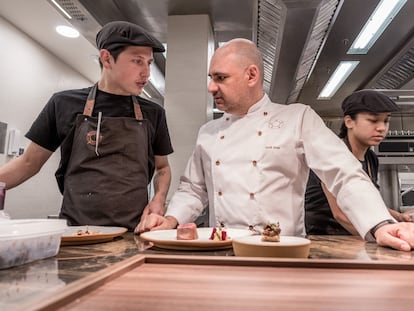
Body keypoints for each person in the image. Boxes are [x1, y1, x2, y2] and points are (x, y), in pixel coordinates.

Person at [137, 38, 414, 251]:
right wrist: (170, 219)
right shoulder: (209, 131)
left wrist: (380, 225)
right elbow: (193, 189)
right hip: (222, 251)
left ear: (251, 75)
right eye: (211, 78)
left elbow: (344, 173)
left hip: (282, 252)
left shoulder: (297, 117)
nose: (211, 87)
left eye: (220, 78)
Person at [0, 21, 173, 231]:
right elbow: (28, 163)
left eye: (148, 62)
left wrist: (158, 200)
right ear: (107, 58)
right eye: (137, 61)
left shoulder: (153, 113)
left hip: (134, 232)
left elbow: (162, 168)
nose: (146, 72)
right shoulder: (63, 103)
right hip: (77, 231)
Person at [305, 90, 414, 235]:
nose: (382, 128)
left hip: (354, 240)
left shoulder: (370, 158)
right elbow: (341, 215)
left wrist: (399, 217)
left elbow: (362, 203)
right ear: (349, 122)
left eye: (386, 121)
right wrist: (384, 233)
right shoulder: (333, 154)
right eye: (373, 120)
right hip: (324, 240)